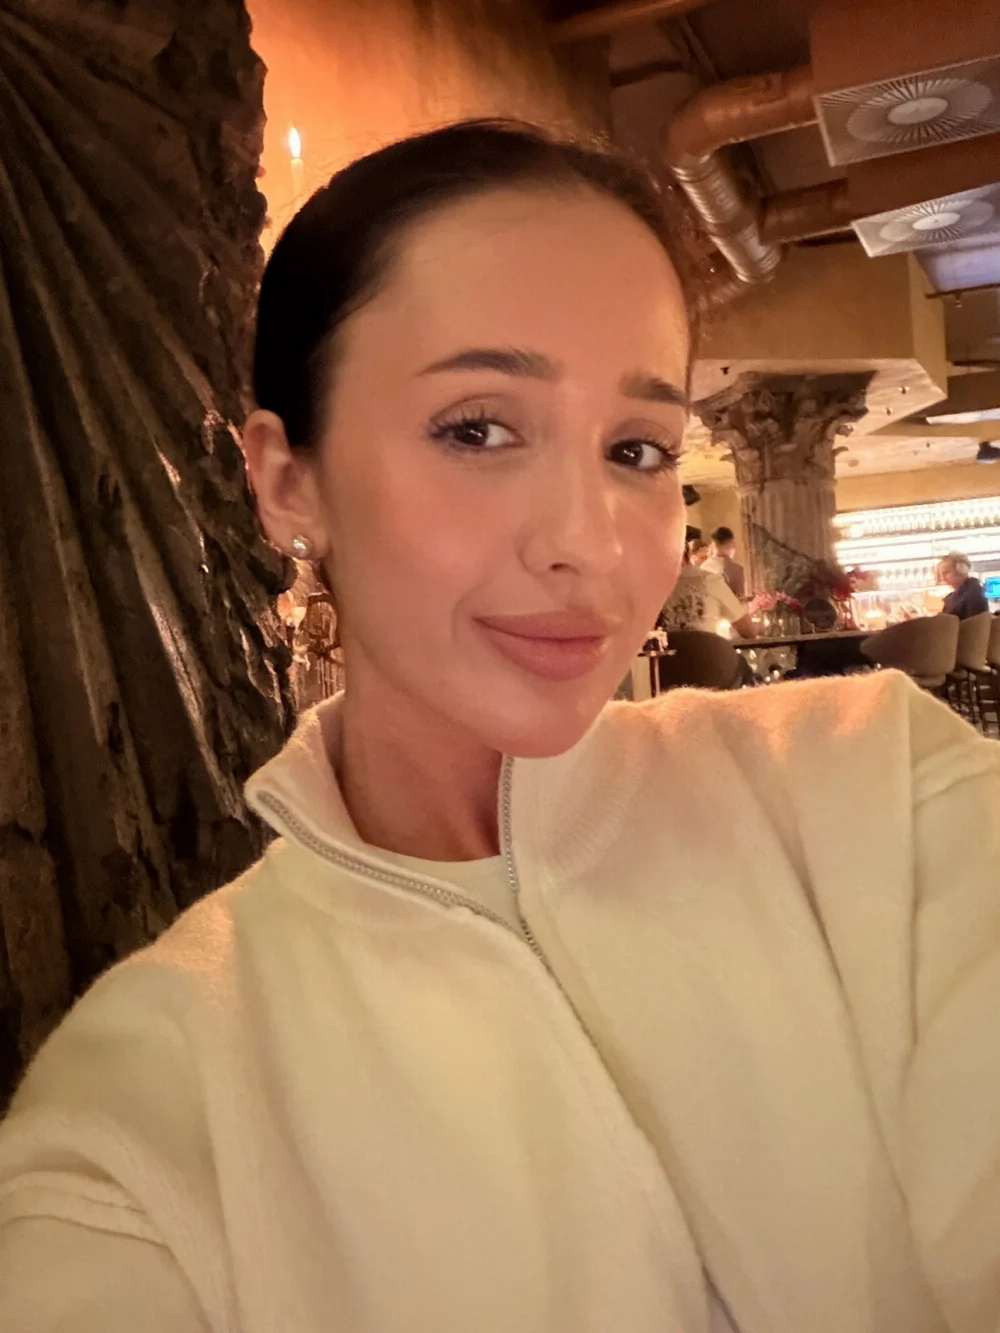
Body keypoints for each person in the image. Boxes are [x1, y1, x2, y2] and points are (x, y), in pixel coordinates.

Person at [1, 120, 999, 1333]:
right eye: (477, 428)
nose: (587, 540)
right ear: (286, 481)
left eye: (637, 448)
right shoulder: (148, 1108)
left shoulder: (878, 788)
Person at [660, 547, 755, 639]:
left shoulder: (655, 587)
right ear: (688, 554)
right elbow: (748, 630)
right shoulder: (711, 580)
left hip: (666, 649)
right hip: (706, 648)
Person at [938, 551, 989, 619]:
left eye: (946, 573)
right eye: (941, 575)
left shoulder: (973, 594)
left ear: (961, 570)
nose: (942, 578)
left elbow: (972, 623)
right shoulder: (957, 596)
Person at [702, 525, 746, 600]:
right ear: (731, 544)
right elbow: (740, 597)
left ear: (713, 544)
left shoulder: (703, 568)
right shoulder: (737, 569)